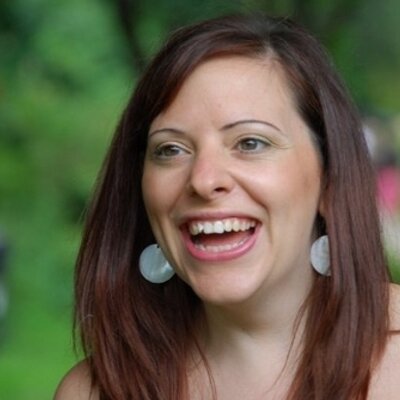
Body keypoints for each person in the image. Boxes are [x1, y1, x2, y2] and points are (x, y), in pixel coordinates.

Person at [54, 14, 400, 400]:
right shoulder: (91, 392)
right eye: (171, 149)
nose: (203, 180)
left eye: (250, 143)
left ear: (329, 179)